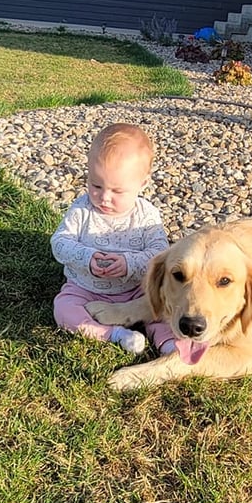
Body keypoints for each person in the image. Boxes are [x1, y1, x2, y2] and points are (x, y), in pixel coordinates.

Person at [51, 123, 176, 354]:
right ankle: (113, 334)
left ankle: (169, 345)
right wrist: (87, 258)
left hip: (136, 289)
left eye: (117, 191)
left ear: (143, 183)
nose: (104, 197)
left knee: (161, 307)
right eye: (96, 185)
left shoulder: (146, 216)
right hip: (85, 288)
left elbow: (160, 255)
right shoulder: (82, 209)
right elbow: (59, 244)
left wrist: (129, 263)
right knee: (63, 309)